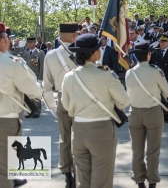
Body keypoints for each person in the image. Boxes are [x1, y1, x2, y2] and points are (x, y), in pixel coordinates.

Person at [61, 33, 130, 188]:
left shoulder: (69, 76)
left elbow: (66, 106)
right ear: (95, 53)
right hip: (101, 130)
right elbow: (125, 100)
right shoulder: (105, 74)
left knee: (82, 179)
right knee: (102, 180)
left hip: (78, 129)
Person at [0, 22, 42, 188]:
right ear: (3, 41)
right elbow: (35, 92)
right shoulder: (12, 64)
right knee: (5, 170)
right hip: (6, 120)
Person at [126, 42, 168, 188]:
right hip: (152, 112)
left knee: (136, 151)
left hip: (134, 112)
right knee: (153, 151)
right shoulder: (155, 72)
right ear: (148, 55)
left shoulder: (129, 72)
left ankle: (139, 181)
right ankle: (152, 182)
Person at [42, 23, 79, 188]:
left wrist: (51, 106)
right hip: (80, 98)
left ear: (60, 34)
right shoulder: (82, 52)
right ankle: (79, 173)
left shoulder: (50, 55)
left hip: (62, 97)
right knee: (79, 138)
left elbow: (46, 85)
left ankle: (67, 175)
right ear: (75, 36)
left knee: (65, 138)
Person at [150, 35, 168, 123]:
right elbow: (151, 65)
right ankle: (160, 115)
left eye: (164, 42)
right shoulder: (155, 51)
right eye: (160, 42)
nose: (161, 43)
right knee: (157, 97)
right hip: (157, 79)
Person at [22, 36, 45, 118]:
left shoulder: (40, 53)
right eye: (28, 43)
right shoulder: (25, 52)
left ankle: (37, 111)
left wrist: (40, 78)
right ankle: (30, 110)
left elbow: (42, 66)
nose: (29, 44)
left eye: (31, 42)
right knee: (28, 94)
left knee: (36, 94)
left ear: (35, 43)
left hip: (36, 76)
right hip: (27, 77)